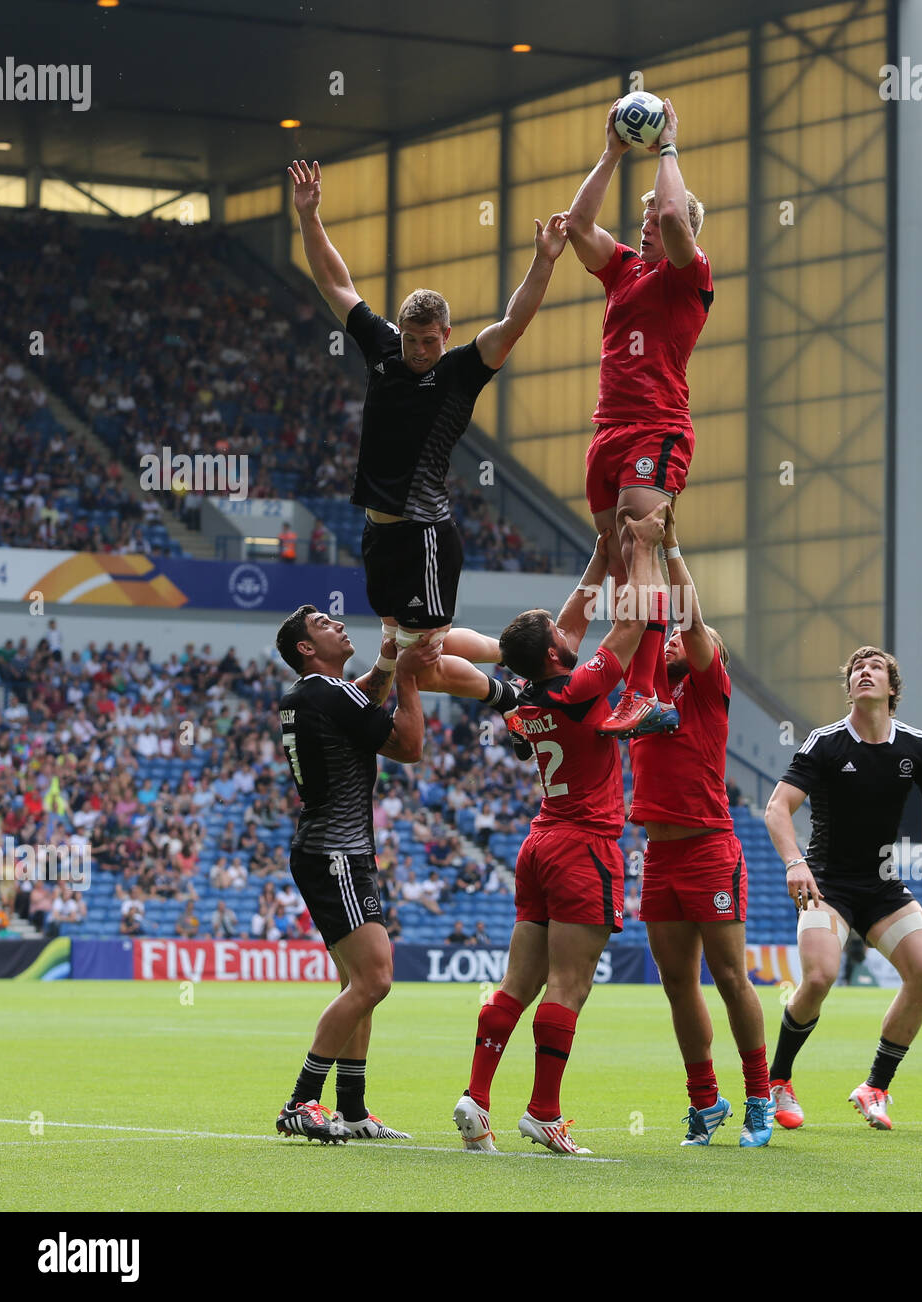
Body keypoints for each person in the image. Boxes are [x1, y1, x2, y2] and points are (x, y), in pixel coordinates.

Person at [288, 157, 565, 716]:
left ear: (447, 335)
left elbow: (513, 322)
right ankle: (506, 661)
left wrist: (544, 261)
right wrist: (309, 216)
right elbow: (335, 283)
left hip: (424, 535)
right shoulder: (384, 347)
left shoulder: (463, 369)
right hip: (378, 531)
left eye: (428, 342)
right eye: (411, 339)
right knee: (397, 639)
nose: (417, 351)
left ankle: (513, 694)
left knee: (424, 660)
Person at [453, 505, 667, 1156]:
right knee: (570, 984)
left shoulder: (524, 702)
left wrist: (599, 560)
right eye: (557, 633)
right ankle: (543, 1111)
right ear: (552, 652)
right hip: (584, 846)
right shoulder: (580, 687)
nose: (567, 629)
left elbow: (565, 623)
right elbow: (635, 621)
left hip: (539, 844)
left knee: (519, 984)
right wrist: (645, 552)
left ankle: (476, 1097)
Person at [764, 647, 922, 1132]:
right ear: (849, 688)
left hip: (883, 885)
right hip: (828, 883)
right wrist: (794, 863)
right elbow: (777, 808)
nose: (864, 673)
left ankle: (875, 1088)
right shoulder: (825, 742)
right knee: (819, 978)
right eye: (857, 670)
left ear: (891, 688)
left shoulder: (915, 745)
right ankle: (776, 1082)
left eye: (875, 668)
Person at [564, 97, 711, 738]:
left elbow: (677, 212)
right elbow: (576, 227)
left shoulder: (690, 275)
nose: (648, 220)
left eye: (655, 215)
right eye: (644, 214)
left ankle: (645, 690)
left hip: (658, 424)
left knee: (636, 536)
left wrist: (668, 146)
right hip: (607, 431)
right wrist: (613, 152)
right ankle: (643, 693)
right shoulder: (624, 268)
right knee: (623, 567)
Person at [627, 510, 773, 1147]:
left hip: (711, 849)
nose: (672, 643)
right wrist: (630, 547)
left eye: (687, 639)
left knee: (731, 976)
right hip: (659, 856)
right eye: (669, 642)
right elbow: (644, 619)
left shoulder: (710, 688)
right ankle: (704, 1102)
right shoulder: (644, 689)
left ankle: (760, 1098)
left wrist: (671, 547)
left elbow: (684, 613)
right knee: (677, 983)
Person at [272, 606, 429, 1143]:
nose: (337, 623)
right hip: (335, 852)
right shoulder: (326, 692)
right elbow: (409, 746)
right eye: (321, 624)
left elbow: (361, 695)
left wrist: (387, 656)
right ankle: (301, 1101)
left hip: (331, 850)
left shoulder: (315, 695)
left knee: (357, 983)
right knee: (375, 979)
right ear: (306, 649)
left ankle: (353, 1110)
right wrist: (408, 676)